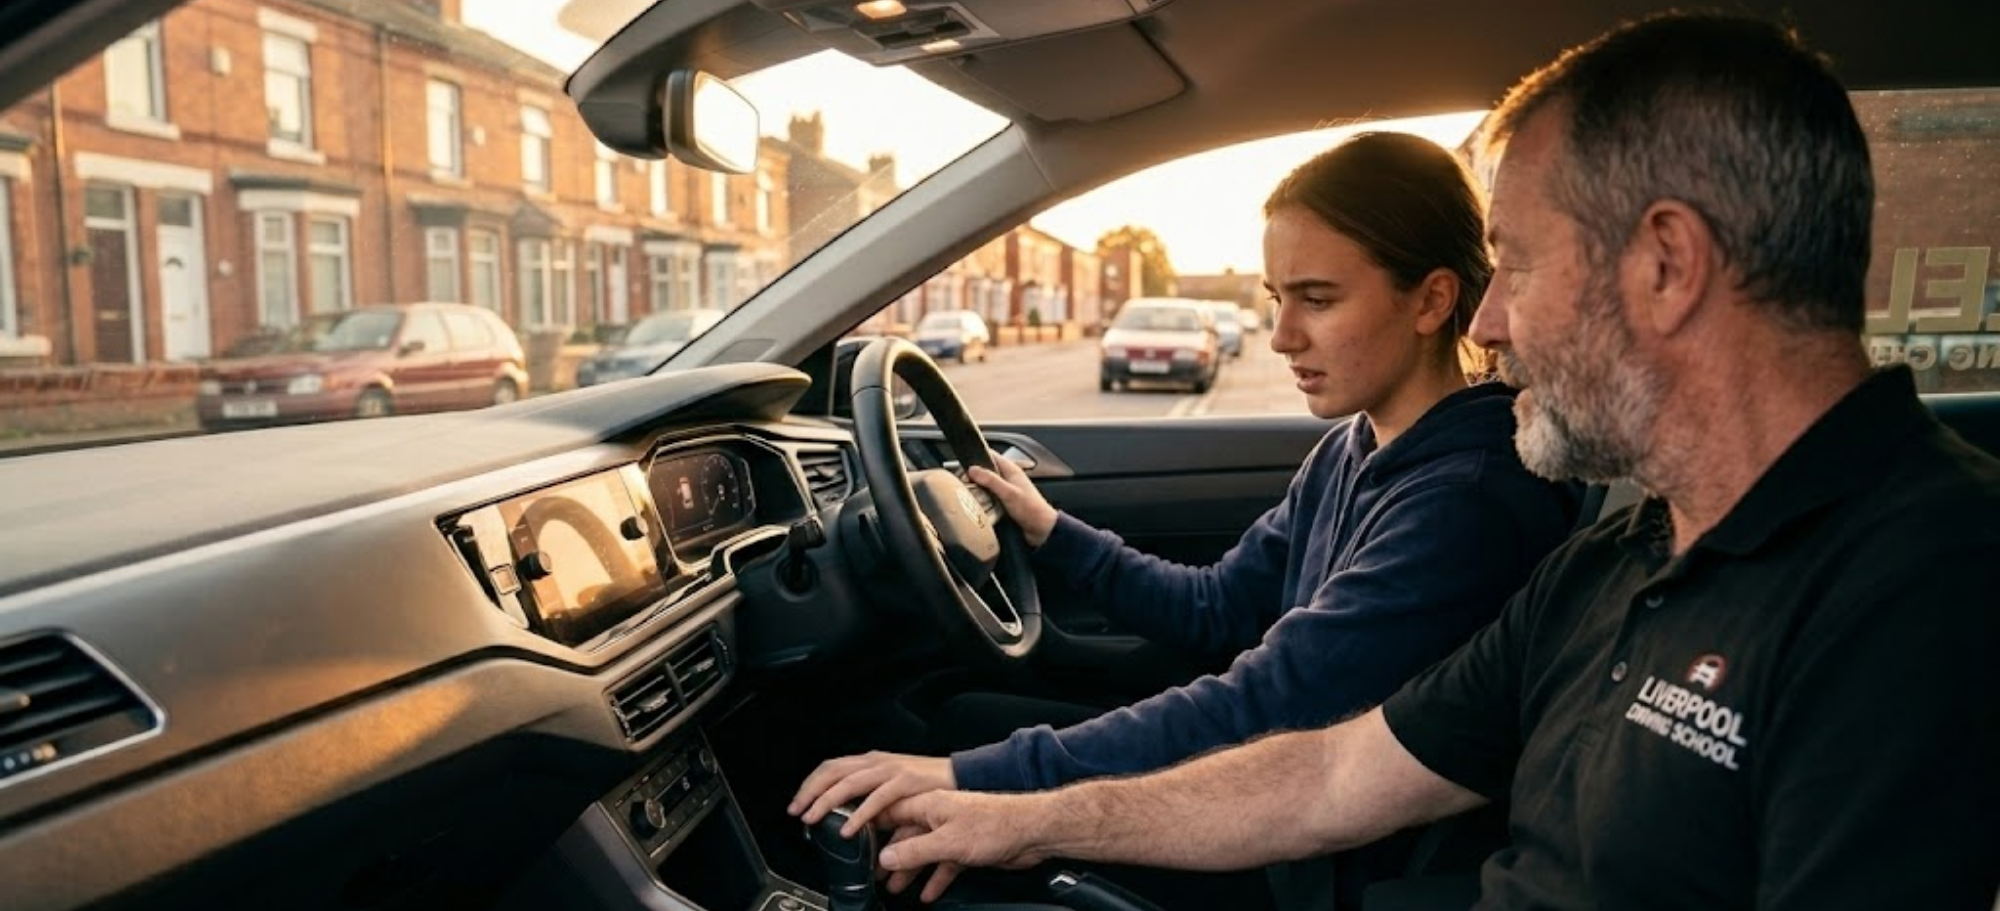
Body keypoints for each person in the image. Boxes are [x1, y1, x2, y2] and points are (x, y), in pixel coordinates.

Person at [850, 12, 2000, 910]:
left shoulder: (1926, 578)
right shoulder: (1626, 549)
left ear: (1663, 265)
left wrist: (1010, 786)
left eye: (1513, 264)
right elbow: (1331, 773)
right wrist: (1025, 812)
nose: (1489, 321)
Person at [791, 132, 1581, 903]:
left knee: (939, 768)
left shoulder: (1469, 499)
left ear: (1432, 299)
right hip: (1280, 818)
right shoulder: (1352, 448)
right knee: (955, 715)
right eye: (1277, 299)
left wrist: (976, 779)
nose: (1280, 336)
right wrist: (1052, 532)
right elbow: (1217, 606)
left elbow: (1267, 707)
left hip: (1327, 866)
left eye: (1318, 298)